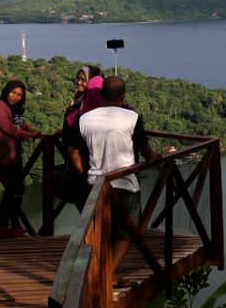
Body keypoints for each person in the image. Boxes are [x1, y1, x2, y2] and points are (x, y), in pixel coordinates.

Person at [68, 76, 159, 239]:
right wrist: (155, 157)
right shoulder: (132, 117)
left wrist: (84, 173)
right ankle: (118, 262)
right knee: (127, 234)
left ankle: (104, 264)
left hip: (95, 185)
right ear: (123, 97)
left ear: (102, 95)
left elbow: (72, 151)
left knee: (100, 233)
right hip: (126, 186)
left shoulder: (84, 119)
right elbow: (145, 151)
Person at [0, 80, 43, 236]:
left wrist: (29, 129)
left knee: (16, 189)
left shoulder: (14, 110)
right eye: (13, 92)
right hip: (2, 154)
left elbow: (17, 126)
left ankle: (11, 225)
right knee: (13, 189)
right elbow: (8, 128)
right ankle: (4, 226)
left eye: (19, 95)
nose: (15, 97)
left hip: (13, 154)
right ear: (7, 90)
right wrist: (30, 135)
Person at [59, 66, 102, 211]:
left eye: (84, 80)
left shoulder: (92, 102)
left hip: (84, 159)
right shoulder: (79, 100)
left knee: (86, 201)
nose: (79, 82)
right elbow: (70, 125)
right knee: (82, 198)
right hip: (75, 159)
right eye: (78, 79)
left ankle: (93, 232)